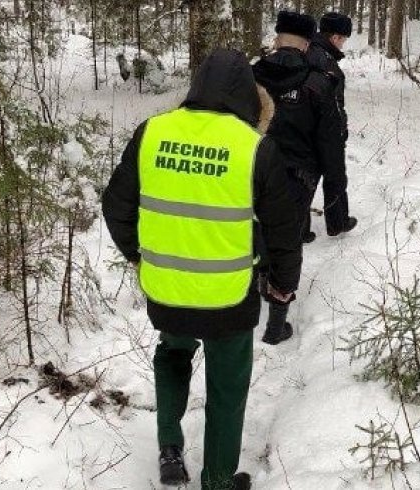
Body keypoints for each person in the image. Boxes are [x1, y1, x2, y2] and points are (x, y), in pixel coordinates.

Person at [102, 48, 302, 490]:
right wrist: (284, 284)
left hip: (167, 291)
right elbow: (285, 229)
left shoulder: (152, 132)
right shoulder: (254, 148)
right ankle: (216, 481)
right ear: (247, 96)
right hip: (228, 299)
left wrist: (138, 256)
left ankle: (170, 447)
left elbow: (115, 207)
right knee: (227, 390)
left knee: (172, 354)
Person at [251, 11, 344, 345]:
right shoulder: (319, 83)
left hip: (251, 169)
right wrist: (335, 186)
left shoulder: (250, 77)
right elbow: (331, 140)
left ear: (277, 39)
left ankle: (259, 283)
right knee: (288, 240)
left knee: (256, 226)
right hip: (297, 176)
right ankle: (276, 323)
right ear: (307, 44)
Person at [307, 11, 357, 238]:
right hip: (325, 127)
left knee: (306, 176)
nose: (343, 43)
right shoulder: (324, 60)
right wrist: (339, 128)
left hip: (308, 126)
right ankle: (338, 222)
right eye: (343, 38)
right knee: (335, 174)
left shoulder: (311, 52)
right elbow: (332, 100)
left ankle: (299, 228)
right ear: (335, 37)